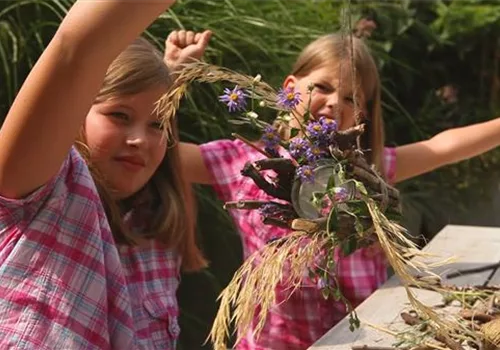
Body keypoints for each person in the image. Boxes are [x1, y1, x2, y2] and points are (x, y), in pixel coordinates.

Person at [166, 30, 500, 349]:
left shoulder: (368, 172)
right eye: (322, 87)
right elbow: (159, 152)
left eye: (351, 98)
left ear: (362, 114)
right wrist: (170, 76)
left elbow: (442, 147)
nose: (333, 104)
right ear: (290, 87)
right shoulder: (243, 161)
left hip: (364, 338)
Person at [0, 1, 207, 349]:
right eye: (119, 116)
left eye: (157, 126)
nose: (140, 139)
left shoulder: (156, 228)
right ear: (75, 112)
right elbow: (77, 48)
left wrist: (169, 75)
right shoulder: (42, 193)